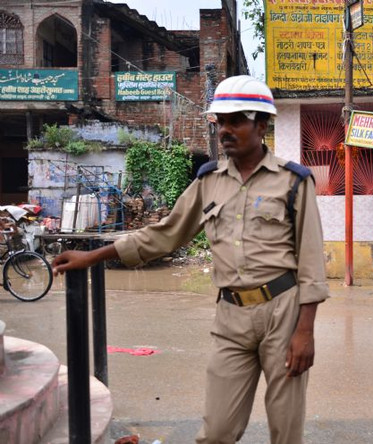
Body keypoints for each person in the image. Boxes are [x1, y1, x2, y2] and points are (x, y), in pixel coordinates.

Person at [52, 75, 329, 444]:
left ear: (261, 125)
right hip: (230, 316)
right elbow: (165, 234)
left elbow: (311, 262)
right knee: (216, 431)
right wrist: (93, 256)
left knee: (285, 428)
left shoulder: (293, 182)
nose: (225, 130)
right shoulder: (208, 182)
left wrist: (305, 332)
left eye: (236, 121)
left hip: (283, 311)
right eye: (221, 122)